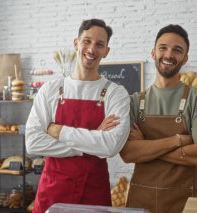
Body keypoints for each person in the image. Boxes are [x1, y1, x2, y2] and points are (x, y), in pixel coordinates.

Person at [25, 18, 130, 213]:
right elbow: (33, 143)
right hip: (53, 191)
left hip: (94, 192)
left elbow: (110, 145)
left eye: (100, 44)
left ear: (106, 51)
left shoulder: (116, 93)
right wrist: (92, 140)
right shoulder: (50, 90)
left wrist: (59, 130)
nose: (92, 49)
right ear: (76, 43)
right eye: (87, 41)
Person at [120, 24, 197, 213]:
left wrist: (146, 145)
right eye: (163, 48)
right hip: (142, 202)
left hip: (188, 203)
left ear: (185, 58)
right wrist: (178, 140)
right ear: (153, 52)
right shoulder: (134, 101)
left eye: (177, 50)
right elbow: (128, 153)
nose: (169, 55)